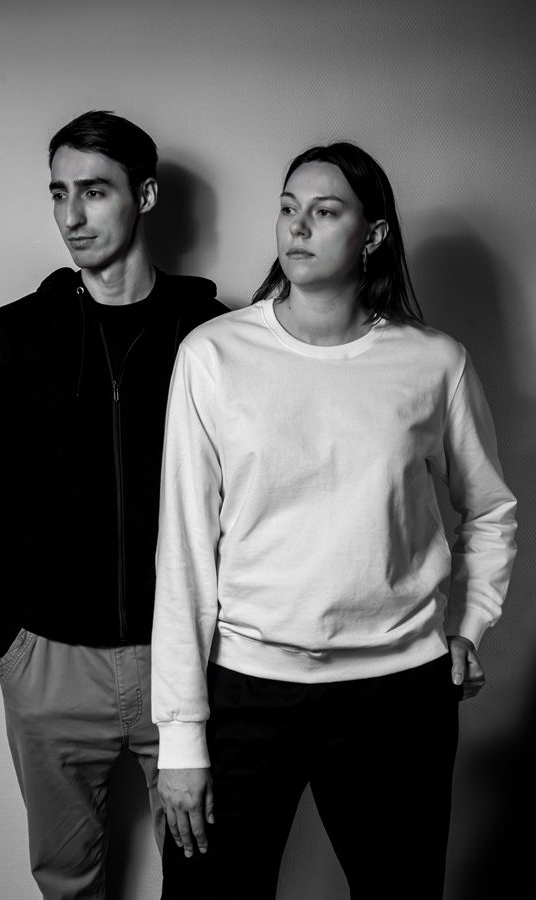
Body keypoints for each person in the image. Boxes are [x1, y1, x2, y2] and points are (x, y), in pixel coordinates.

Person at [151, 141, 518, 899]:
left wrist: (468, 624)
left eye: (324, 211)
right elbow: (182, 551)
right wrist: (181, 734)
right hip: (247, 688)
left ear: (372, 234)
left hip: (396, 695)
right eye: (288, 208)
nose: (297, 227)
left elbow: (489, 509)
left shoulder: (432, 362)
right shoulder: (212, 356)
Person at [0, 109, 226, 900]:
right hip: (50, 663)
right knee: (68, 883)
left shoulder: (213, 336)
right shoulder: (16, 336)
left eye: (95, 191)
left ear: (145, 195)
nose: (71, 216)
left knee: (208, 878)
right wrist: (6, 639)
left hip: (187, 658)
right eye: (58, 193)